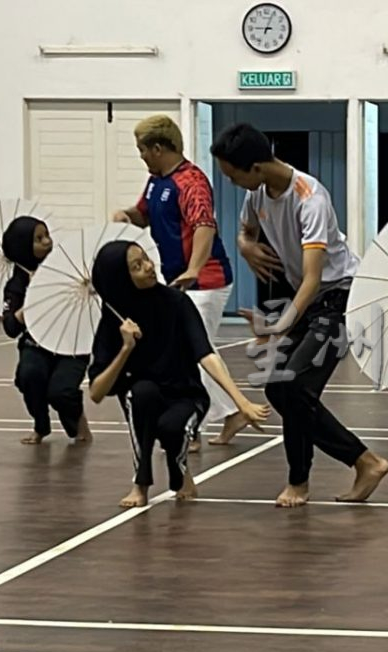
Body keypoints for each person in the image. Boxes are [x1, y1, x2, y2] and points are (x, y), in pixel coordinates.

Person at [210, 122, 388, 508]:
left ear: (255, 166)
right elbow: (247, 231)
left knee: (294, 388)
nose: (231, 182)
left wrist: (279, 326)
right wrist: (245, 246)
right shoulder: (257, 194)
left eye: (232, 174)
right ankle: (305, 481)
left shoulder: (311, 198)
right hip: (312, 301)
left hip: (342, 298)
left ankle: (365, 462)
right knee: (280, 388)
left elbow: (311, 279)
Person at [86, 240, 271, 508]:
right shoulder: (113, 318)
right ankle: (141, 484)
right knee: (140, 394)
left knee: (171, 428)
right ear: (121, 279)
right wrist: (126, 348)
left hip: (187, 395)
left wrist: (242, 402)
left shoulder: (176, 302)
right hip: (145, 396)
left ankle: (179, 468)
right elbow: (96, 393)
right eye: (137, 267)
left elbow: (206, 354)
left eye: (146, 259)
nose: (149, 267)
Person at [111, 114, 250, 450]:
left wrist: (194, 268)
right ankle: (225, 413)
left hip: (206, 281)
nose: (141, 156)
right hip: (174, 279)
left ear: (158, 148)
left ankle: (196, 422)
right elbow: (145, 214)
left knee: (190, 351)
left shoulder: (192, 182)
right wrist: (126, 216)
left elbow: (204, 225)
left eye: (142, 150)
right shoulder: (156, 180)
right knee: (192, 350)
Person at [0, 216, 92, 446]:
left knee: (61, 392)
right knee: (29, 376)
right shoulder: (16, 286)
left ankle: (76, 419)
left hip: (71, 344)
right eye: (38, 239)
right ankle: (41, 426)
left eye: (47, 235)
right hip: (36, 345)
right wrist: (30, 300)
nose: (47, 242)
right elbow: (11, 328)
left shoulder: (65, 269)